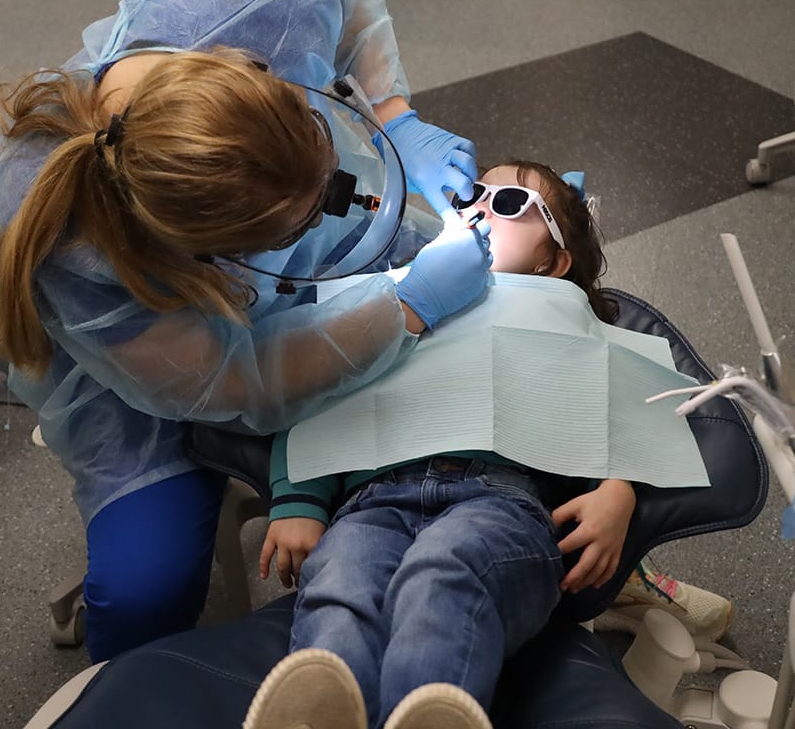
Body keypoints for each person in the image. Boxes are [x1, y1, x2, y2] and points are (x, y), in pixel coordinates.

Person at [0, 0, 493, 663]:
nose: (345, 198)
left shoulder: (250, 11)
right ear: (210, 251)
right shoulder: (79, 246)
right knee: (146, 589)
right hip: (137, 394)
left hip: (237, 301)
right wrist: (406, 308)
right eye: (303, 214)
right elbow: (238, 378)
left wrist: (392, 117)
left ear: (255, 69)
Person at [251, 160, 641, 729]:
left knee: (444, 570)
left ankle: (428, 708)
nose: (479, 205)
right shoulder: (394, 299)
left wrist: (619, 488)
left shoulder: (572, 327)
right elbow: (321, 391)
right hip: (372, 502)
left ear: (552, 263)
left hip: (499, 506)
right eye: (473, 192)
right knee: (341, 578)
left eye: (508, 203)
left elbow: (629, 408)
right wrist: (300, 501)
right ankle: (323, 706)